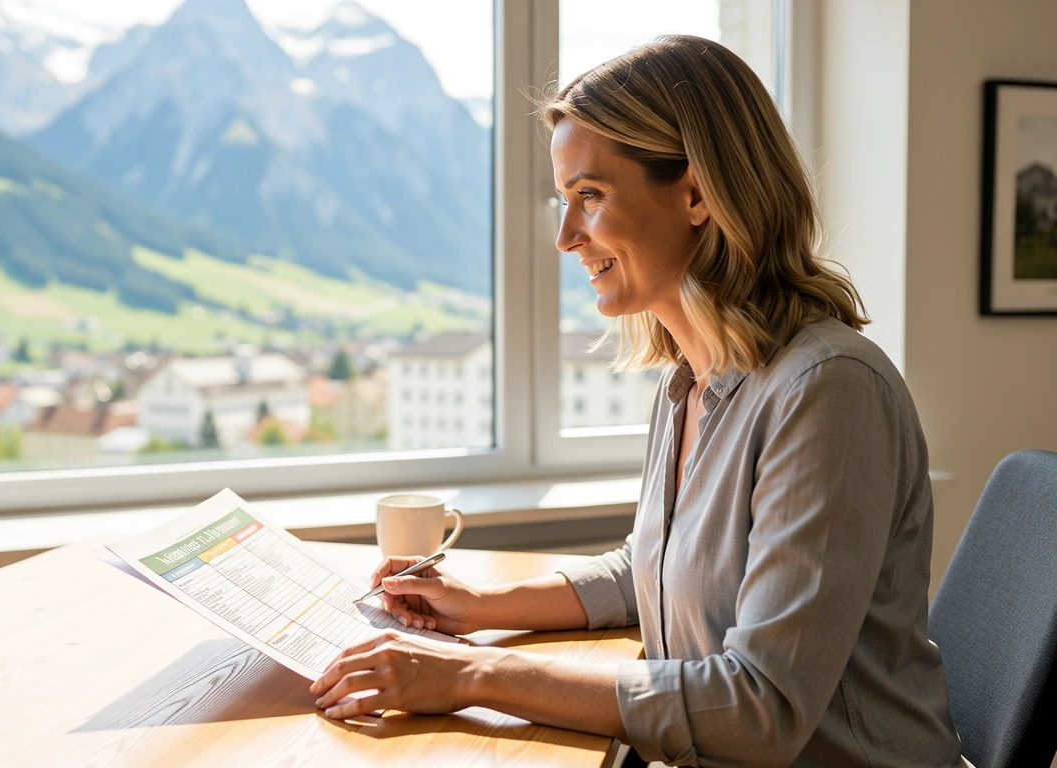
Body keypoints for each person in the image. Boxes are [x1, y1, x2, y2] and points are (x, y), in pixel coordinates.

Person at [310, 35, 970, 767]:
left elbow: (762, 708)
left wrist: (473, 674)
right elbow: (654, 567)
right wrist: (479, 607)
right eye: (564, 201)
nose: (565, 237)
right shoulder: (689, 379)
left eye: (589, 196)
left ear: (695, 193)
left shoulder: (827, 392)